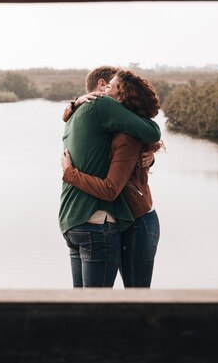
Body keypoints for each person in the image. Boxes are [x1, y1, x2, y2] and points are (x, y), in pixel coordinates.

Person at [59, 66, 161, 288]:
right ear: (99, 85)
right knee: (95, 305)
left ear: (123, 97)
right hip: (106, 220)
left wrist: (71, 174)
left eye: (112, 87)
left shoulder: (127, 134)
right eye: (106, 85)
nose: (105, 91)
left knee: (135, 296)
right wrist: (73, 104)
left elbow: (112, 186)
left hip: (137, 218)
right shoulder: (98, 118)